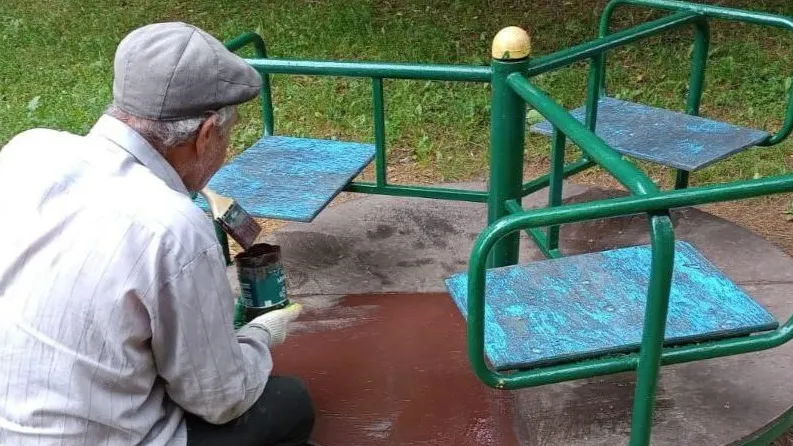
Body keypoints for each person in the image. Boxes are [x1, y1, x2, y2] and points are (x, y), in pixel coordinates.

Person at [0, 22, 317, 446]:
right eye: (227, 135)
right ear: (206, 134)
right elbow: (219, 399)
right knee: (290, 403)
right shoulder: (174, 227)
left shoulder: (28, 150)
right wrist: (257, 339)